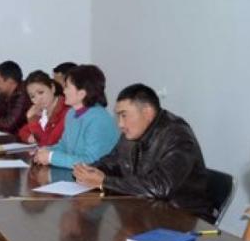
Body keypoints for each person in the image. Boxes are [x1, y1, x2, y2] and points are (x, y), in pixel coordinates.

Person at [72, 83, 213, 220]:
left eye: (124, 115)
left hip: (182, 217)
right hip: (144, 210)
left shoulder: (177, 135)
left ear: (147, 113)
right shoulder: (133, 132)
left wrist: (104, 182)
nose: (120, 124)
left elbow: (160, 187)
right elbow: (112, 161)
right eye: (118, 116)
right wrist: (88, 171)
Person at [32, 64, 117, 168]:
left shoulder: (99, 119)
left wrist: (51, 157)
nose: (64, 91)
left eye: (67, 87)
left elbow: (91, 162)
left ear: (81, 94)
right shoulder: (71, 113)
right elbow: (64, 146)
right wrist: (46, 151)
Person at [18, 70, 69, 147]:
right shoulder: (42, 111)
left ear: (52, 88)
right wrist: (30, 137)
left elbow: (48, 143)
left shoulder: (67, 110)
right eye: (32, 96)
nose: (38, 99)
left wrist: (32, 119)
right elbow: (23, 131)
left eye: (41, 92)